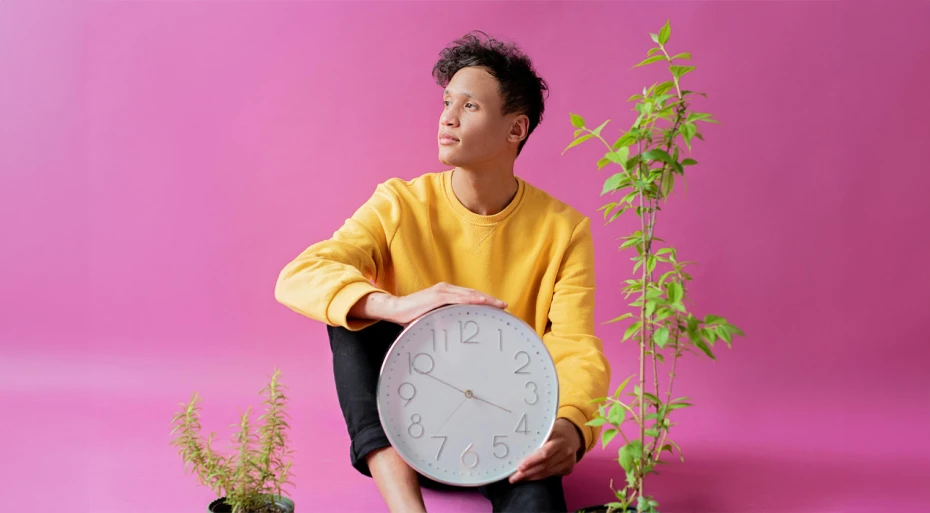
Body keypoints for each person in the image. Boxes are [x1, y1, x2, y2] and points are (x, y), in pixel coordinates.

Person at [274, 30, 611, 513]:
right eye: (447, 101)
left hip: (507, 431)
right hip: (404, 432)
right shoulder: (399, 203)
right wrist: (397, 304)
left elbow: (576, 344)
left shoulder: (564, 230)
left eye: (469, 106)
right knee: (349, 315)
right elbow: (302, 273)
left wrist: (571, 428)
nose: (447, 117)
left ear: (515, 130)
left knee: (537, 503)